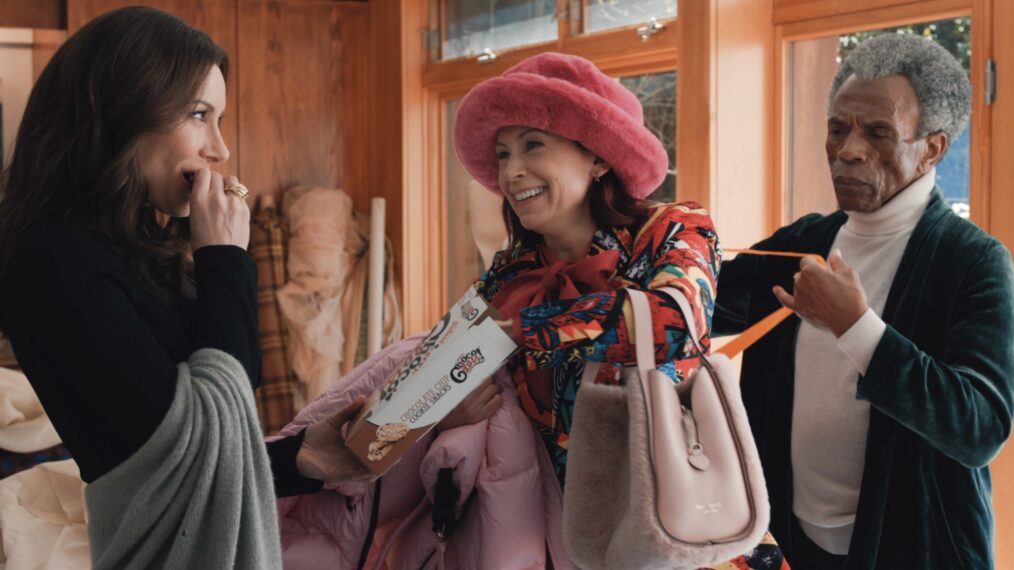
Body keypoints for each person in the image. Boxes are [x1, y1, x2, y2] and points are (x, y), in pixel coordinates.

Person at [0, 7, 372, 567]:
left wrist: (302, 458)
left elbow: (196, 453)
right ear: (124, 111)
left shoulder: (144, 252)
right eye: (200, 114)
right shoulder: (52, 259)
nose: (220, 149)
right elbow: (187, 436)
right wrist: (223, 255)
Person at [453, 51, 784, 568]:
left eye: (532, 145)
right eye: (502, 154)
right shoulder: (509, 274)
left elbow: (675, 322)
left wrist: (529, 328)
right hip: (574, 541)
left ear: (598, 156)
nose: (512, 172)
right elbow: (449, 361)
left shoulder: (675, 228)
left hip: (688, 529)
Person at [714, 34, 1014, 569]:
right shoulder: (803, 242)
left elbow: (979, 427)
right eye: (837, 128)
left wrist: (855, 325)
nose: (848, 149)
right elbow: (692, 302)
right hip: (786, 544)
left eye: (877, 132)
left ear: (932, 148)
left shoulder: (973, 261)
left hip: (917, 548)